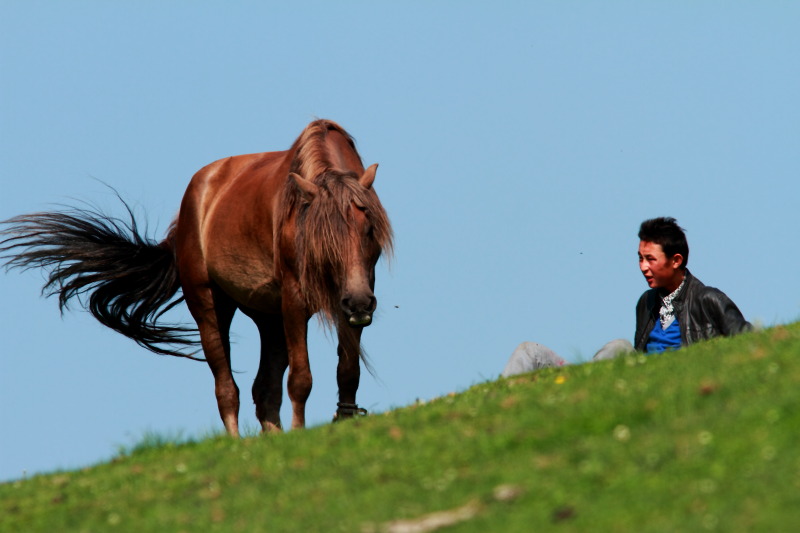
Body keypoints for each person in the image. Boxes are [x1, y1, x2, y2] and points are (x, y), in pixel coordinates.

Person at [501, 217, 751, 377]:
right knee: (528, 352)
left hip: (676, 382)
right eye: (640, 258)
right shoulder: (646, 302)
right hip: (636, 376)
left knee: (619, 347)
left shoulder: (709, 300)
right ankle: (500, 409)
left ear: (676, 260)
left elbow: (752, 345)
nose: (643, 267)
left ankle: (584, 389)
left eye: (651, 259)